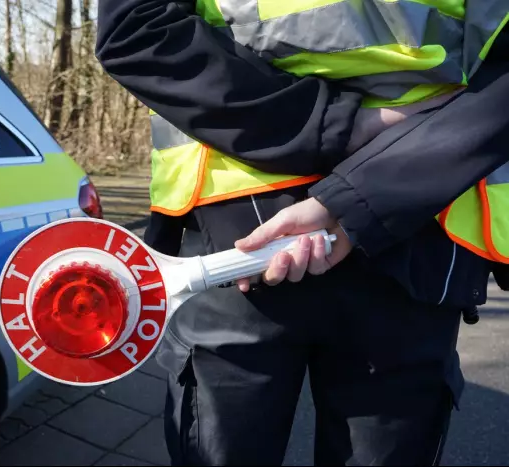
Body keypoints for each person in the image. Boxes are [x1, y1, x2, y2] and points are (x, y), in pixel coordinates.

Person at [95, 1, 509, 464]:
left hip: (245, 216)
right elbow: (137, 31)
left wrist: (345, 151)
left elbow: (137, 31)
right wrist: (355, 147)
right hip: (419, 206)